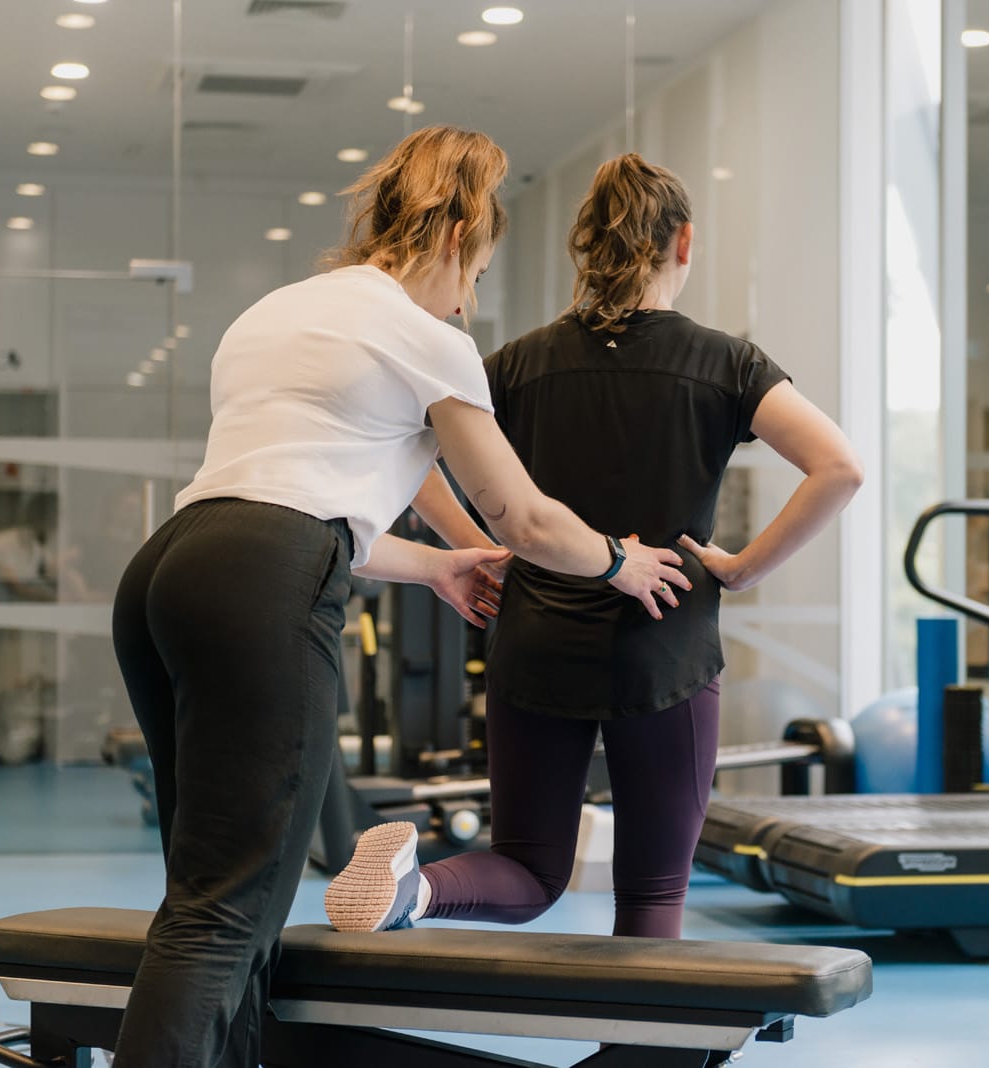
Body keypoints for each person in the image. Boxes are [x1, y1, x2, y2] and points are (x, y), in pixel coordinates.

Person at [109, 127, 690, 1068]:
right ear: (459, 235)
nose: (471, 296)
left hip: (171, 570)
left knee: (205, 894)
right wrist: (622, 563)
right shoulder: (430, 338)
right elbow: (528, 519)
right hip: (260, 581)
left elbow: (305, 497)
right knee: (225, 912)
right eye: (480, 269)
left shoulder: (280, 312)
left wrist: (441, 565)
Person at [325, 153, 864, 940]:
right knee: (650, 899)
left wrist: (482, 547)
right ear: (685, 242)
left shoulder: (517, 364)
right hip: (666, 646)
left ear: (584, 249)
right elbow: (839, 468)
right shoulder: (726, 363)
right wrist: (742, 569)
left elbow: (404, 459)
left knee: (529, 867)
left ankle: (416, 890)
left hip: (536, 641)